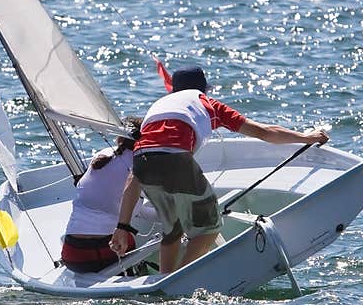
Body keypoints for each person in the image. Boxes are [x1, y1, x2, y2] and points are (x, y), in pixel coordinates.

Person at [109, 65, 330, 275]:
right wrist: (307, 137)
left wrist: (122, 226)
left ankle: (164, 279)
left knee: (173, 228)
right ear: (204, 88)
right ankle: (178, 278)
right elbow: (265, 132)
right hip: (175, 161)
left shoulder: (156, 110)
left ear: (172, 90)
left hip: (142, 162)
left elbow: (133, 178)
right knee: (210, 226)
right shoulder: (207, 102)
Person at [61, 117, 147, 274]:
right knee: (129, 236)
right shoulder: (141, 162)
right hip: (108, 251)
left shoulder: (102, 155)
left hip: (72, 255)